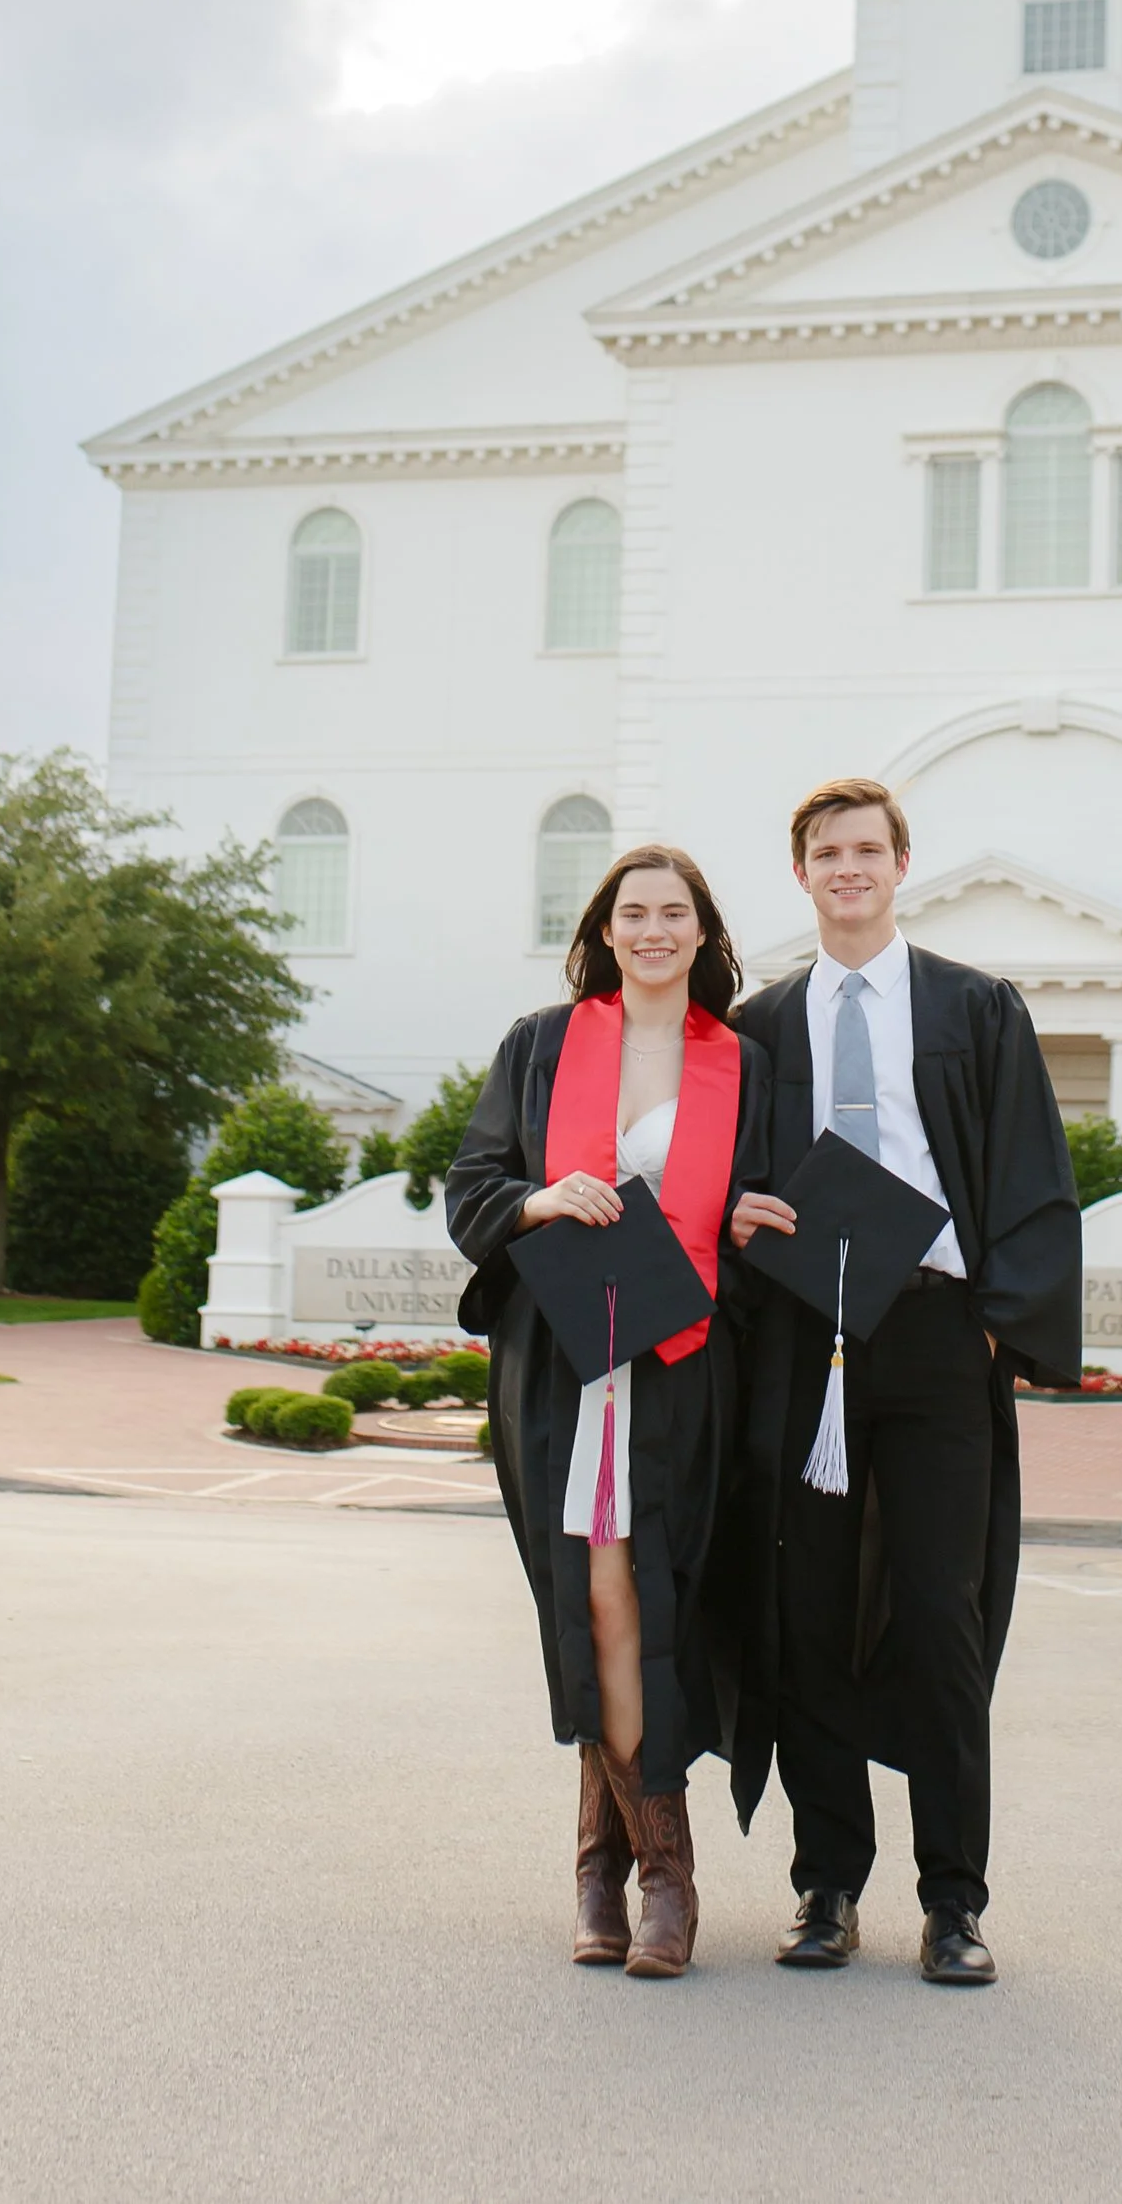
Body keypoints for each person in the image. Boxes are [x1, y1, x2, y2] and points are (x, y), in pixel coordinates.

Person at [727, 778, 1080, 1989]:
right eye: (826, 853)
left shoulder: (974, 1009)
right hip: (807, 1338)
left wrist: (992, 1327)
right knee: (810, 1610)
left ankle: (953, 1900)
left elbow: (1033, 1173)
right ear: (802, 873)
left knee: (941, 1612)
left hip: (933, 1338)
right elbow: (725, 1181)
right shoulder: (760, 1026)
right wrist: (738, 1218)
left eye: (866, 850)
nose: (847, 869)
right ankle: (826, 1886)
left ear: (900, 863)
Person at [448, 844, 770, 1979]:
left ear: (701, 934)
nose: (651, 930)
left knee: (644, 1590)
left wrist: (744, 1223)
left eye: (672, 913)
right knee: (591, 1591)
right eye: (632, 912)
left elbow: (757, 1202)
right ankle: (654, 1874)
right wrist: (540, 1199)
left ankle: (615, 1867)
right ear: (603, 929)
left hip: (680, 1363)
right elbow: (471, 1185)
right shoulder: (542, 1045)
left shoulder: (740, 1062)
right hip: (565, 1357)